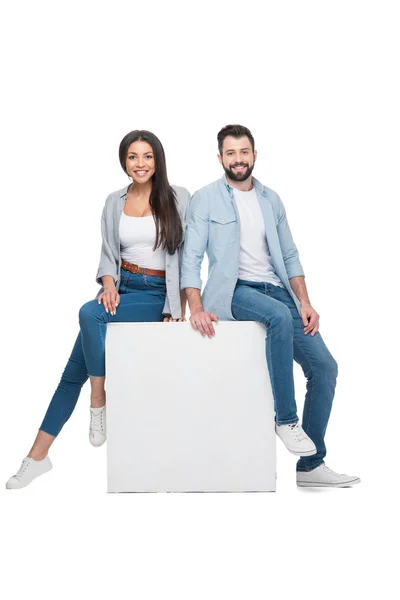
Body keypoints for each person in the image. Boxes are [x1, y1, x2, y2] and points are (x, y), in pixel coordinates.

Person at [6, 130, 190, 489]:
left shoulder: (179, 198)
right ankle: (36, 458)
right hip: (122, 290)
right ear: (124, 160)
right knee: (70, 374)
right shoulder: (112, 201)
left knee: (89, 314)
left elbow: (189, 255)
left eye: (148, 156)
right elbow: (108, 253)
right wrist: (108, 283)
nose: (141, 164)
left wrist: (177, 305)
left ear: (158, 159)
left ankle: (97, 399)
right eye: (133, 157)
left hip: (155, 295)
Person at [180, 124, 360, 488]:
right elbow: (191, 258)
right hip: (235, 291)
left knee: (324, 367)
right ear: (220, 158)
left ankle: (311, 466)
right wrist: (195, 306)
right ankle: (285, 419)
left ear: (254, 155)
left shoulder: (271, 199)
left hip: (279, 292)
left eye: (243, 152)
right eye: (230, 153)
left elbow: (290, 255)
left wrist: (305, 302)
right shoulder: (205, 198)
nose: (238, 159)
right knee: (276, 317)